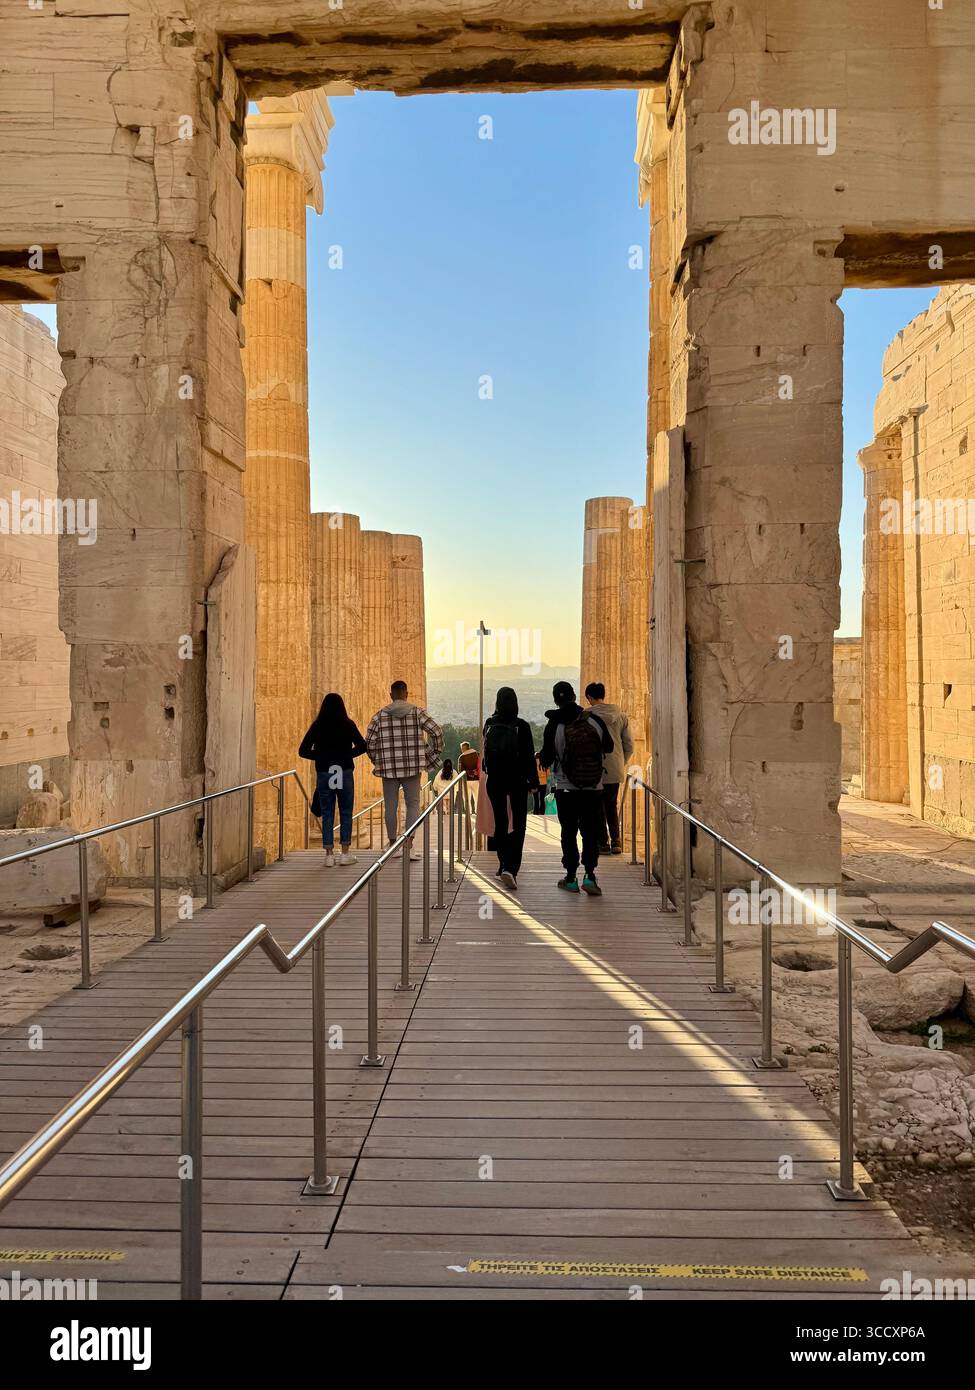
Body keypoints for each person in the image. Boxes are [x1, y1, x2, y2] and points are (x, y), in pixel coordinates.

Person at [538, 680, 613, 896]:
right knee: (590, 831)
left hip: (566, 787)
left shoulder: (554, 725)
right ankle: (590, 875)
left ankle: (571, 877)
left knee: (568, 831)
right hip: (593, 786)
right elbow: (609, 746)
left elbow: (546, 757)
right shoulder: (594, 720)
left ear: (556, 700)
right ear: (574, 696)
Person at [366, 680, 444, 856]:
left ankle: (393, 844)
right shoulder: (417, 713)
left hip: (388, 767)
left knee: (390, 806)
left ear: (391, 695)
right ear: (406, 694)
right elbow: (437, 731)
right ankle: (408, 844)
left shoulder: (379, 716)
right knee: (413, 804)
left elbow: (369, 742)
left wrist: (377, 759)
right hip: (412, 765)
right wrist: (433, 752)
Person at [299, 693, 368, 867]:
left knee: (328, 812)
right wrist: (345, 755)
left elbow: (303, 750)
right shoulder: (348, 724)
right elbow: (363, 746)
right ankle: (345, 853)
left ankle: (329, 854)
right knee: (346, 811)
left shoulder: (318, 726)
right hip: (344, 771)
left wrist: (322, 756)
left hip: (325, 772)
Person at [482, 687, 538, 891]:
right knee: (519, 824)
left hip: (495, 779)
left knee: (500, 822)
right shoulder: (521, 725)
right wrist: (533, 783)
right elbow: (528, 756)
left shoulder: (489, 723)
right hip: (517, 780)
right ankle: (511, 868)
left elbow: (485, 753)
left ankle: (502, 864)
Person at [584, 682, 634, 855]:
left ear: (589, 697)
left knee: (596, 805)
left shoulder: (585, 716)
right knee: (611, 805)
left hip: (593, 768)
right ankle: (616, 841)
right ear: (603, 695)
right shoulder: (620, 715)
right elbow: (629, 745)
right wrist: (621, 762)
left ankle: (602, 843)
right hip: (614, 767)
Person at [457, 740, 480, 811]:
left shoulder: (461, 757)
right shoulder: (477, 754)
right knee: (477, 797)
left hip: (466, 780)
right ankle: (477, 812)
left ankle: (468, 813)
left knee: (467, 798)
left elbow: (460, 770)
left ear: (464, 748)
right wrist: (475, 772)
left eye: (461, 748)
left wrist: (469, 773)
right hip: (476, 779)